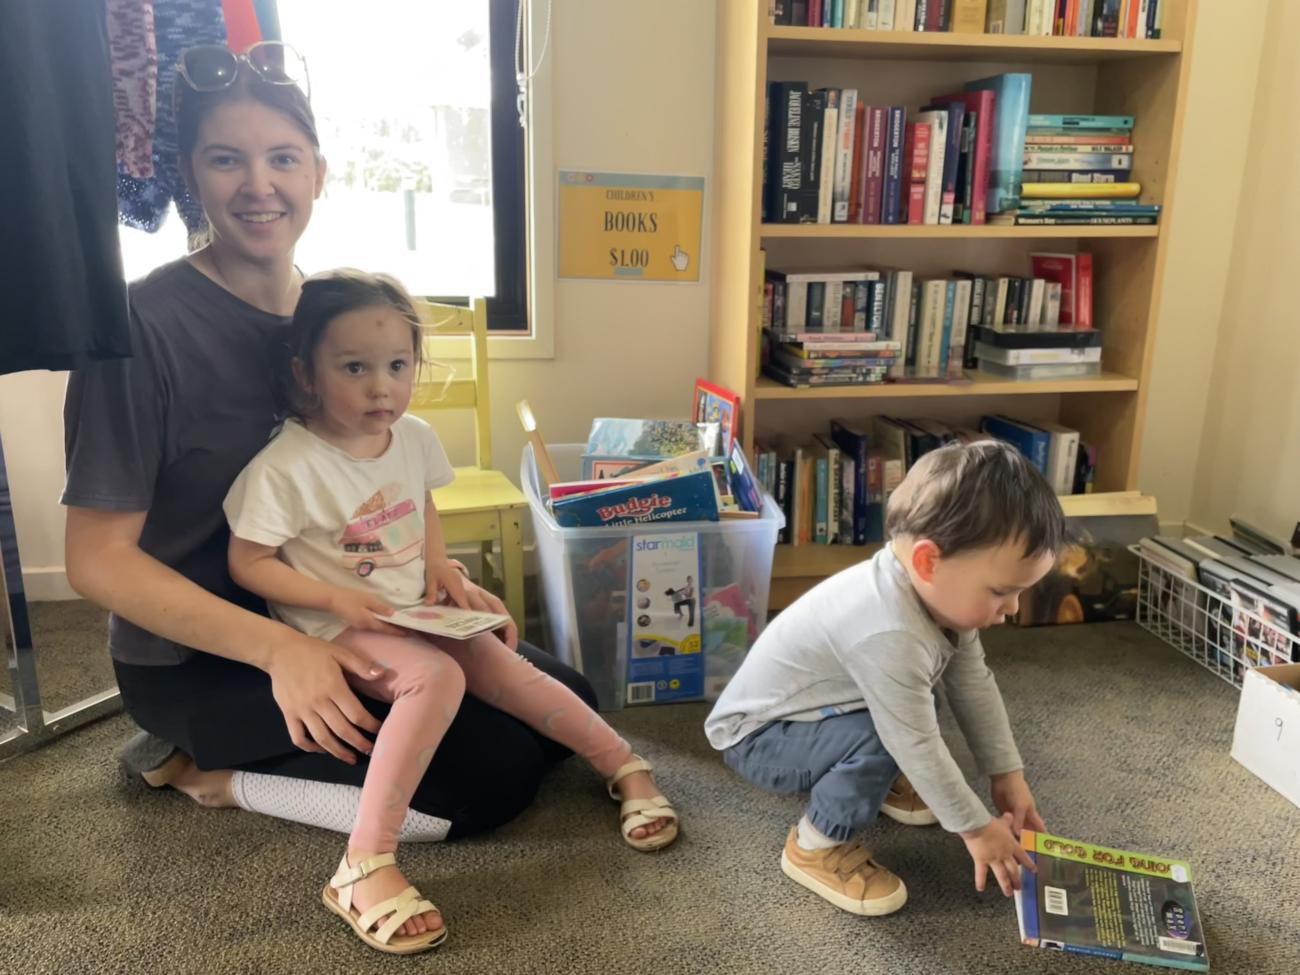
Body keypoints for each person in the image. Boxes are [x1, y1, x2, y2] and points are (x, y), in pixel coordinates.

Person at [61, 43, 660, 889]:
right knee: (483, 783)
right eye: (225, 160)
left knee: (561, 707)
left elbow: (382, 483)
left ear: (318, 173)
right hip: (207, 650)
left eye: (282, 158)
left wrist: (438, 571)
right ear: (190, 174)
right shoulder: (140, 329)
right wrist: (278, 650)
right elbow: (95, 559)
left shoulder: (330, 318)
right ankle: (200, 768)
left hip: (353, 615)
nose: (258, 185)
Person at [222, 269, 677, 952]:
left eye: (398, 365)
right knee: (437, 678)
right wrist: (334, 598)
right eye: (355, 367)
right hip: (336, 627)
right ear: (306, 371)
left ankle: (624, 765)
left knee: (502, 663)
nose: (383, 386)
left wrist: (442, 568)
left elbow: (421, 505)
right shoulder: (286, 465)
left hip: (410, 609)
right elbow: (247, 562)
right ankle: (362, 862)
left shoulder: (412, 436)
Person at [704, 440, 1066, 916]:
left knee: (917, 705)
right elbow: (911, 740)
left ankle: (881, 778)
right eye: (1002, 592)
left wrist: (1007, 776)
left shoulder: (930, 597)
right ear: (927, 561)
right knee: (889, 733)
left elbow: (973, 683)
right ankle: (814, 845)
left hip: (821, 712)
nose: (1014, 609)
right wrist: (975, 829)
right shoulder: (887, 632)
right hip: (758, 739)